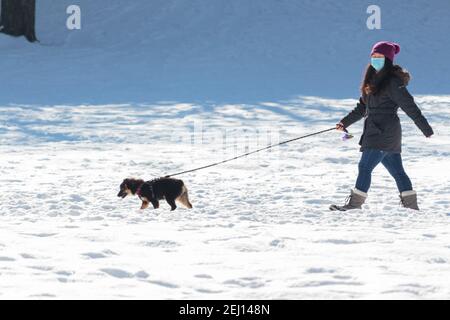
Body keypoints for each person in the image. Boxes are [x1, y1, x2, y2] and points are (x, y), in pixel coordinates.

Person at [330, 41, 433, 211]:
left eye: (379, 56)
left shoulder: (392, 82)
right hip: (376, 131)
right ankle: (412, 208)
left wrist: (425, 128)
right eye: (373, 56)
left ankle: (354, 205)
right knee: (397, 171)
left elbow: (409, 106)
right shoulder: (371, 80)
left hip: (384, 132)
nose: (375, 59)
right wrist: (344, 123)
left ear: (388, 59)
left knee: (364, 167)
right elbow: (362, 107)